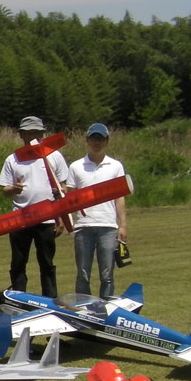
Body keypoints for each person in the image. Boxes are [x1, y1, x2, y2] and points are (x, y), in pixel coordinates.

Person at [0, 115, 69, 297]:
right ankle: (18, 299)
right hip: (20, 217)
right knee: (18, 262)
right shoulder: (13, 159)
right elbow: (4, 190)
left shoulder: (54, 155)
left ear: (42, 134)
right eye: (28, 133)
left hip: (48, 217)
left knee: (47, 262)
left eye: (36, 133)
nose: (32, 137)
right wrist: (13, 189)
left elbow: (63, 187)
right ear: (21, 135)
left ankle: (50, 299)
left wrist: (61, 217)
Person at [68, 122, 128, 298]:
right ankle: (83, 308)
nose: (97, 142)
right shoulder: (76, 166)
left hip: (108, 226)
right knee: (83, 274)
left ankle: (106, 308)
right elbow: (69, 198)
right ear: (87, 140)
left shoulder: (116, 166)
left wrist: (123, 225)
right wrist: (70, 223)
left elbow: (120, 198)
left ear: (107, 141)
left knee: (107, 275)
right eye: (93, 138)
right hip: (83, 227)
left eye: (100, 139)